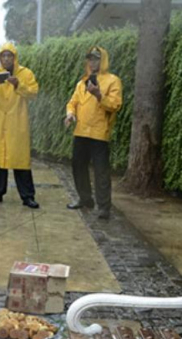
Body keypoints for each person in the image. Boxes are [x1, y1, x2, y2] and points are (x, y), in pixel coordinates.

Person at [0, 43, 40, 209]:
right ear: (0, 58)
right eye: (3, 56)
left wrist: (18, 85)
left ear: (15, 58)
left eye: (9, 56)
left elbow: (34, 92)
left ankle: (27, 196)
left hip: (16, 123)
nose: (6, 59)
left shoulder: (25, 73)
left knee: (20, 160)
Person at [65, 47, 123, 220]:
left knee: (101, 171)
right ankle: (85, 199)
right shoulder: (81, 82)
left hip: (99, 133)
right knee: (78, 166)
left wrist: (99, 95)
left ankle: (104, 207)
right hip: (81, 131)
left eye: (96, 59)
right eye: (90, 59)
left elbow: (115, 105)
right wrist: (70, 114)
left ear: (103, 60)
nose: (93, 62)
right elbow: (72, 102)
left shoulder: (113, 81)